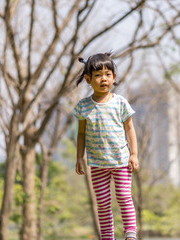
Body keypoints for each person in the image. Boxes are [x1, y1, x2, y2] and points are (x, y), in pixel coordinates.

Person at [72, 52, 139, 240]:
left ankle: (130, 233)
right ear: (88, 79)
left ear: (114, 77)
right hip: (97, 164)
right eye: (98, 75)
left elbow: (130, 129)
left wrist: (134, 154)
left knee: (124, 198)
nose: (104, 79)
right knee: (102, 203)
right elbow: (81, 134)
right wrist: (79, 157)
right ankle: (107, 236)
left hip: (120, 161)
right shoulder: (84, 106)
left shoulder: (120, 103)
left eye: (108, 74)